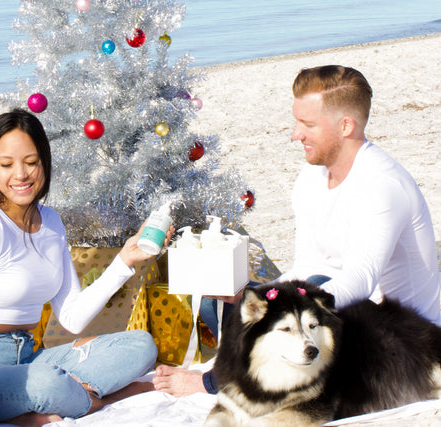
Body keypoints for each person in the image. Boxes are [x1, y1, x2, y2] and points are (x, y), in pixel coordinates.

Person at [153, 64, 440, 396]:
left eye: (308, 125)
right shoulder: (311, 178)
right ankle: (250, 367)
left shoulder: (381, 185)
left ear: (346, 125)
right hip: (334, 312)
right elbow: (306, 266)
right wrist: (256, 297)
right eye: (297, 122)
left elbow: (362, 278)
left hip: (401, 337)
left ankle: (216, 382)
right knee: (220, 301)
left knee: (304, 306)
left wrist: (293, 305)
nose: (295, 134)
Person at [0, 108, 173, 426]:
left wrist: (125, 259)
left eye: (31, 162)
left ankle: (38, 411)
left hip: (33, 355)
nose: (21, 175)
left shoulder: (51, 222)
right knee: (44, 383)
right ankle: (93, 401)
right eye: (7, 165)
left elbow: (72, 317)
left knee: (140, 345)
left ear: (44, 163)